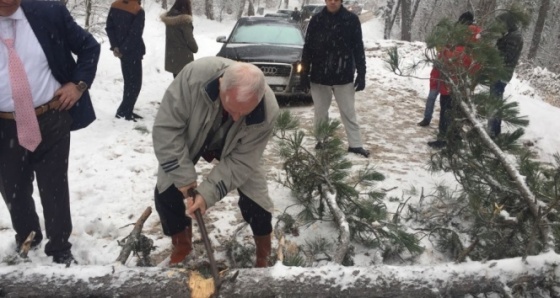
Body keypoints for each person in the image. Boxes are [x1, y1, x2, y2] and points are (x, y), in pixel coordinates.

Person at [152, 57, 280, 267]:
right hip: (192, 134)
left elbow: (241, 162)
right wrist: (184, 179)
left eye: (244, 111)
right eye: (232, 108)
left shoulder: (267, 110)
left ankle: (263, 257)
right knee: (167, 190)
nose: (237, 117)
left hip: (238, 146)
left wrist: (206, 194)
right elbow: (166, 129)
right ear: (221, 83)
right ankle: (182, 247)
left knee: (258, 203)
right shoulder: (194, 78)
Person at [0, 0, 100, 265]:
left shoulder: (49, 13)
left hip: (50, 116)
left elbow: (90, 47)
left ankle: (60, 249)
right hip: (4, 124)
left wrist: (78, 85)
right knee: (13, 188)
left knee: (54, 186)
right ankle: (28, 237)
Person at [301, 0, 369, 158]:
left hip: (343, 75)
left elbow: (358, 47)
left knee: (348, 112)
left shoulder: (351, 20)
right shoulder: (316, 20)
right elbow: (308, 47)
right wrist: (304, 73)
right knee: (320, 112)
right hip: (319, 75)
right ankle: (321, 140)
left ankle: (355, 144)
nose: (332, 1)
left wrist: (362, 72)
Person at [427, 12, 480, 148]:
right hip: (465, 82)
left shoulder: (461, 40)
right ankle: (455, 138)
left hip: (451, 81)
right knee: (457, 111)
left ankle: (443, 139)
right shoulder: (477, 39)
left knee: (446, 110)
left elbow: (453, 59)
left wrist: (443, 53)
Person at [105, 0, 145, 121]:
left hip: (121, 52)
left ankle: (127, 110)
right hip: (132, 52)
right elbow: (135, 33)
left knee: (129, 82)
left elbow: (109, 27)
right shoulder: (138, 10)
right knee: (135, 84)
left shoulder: (115, 5)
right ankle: (124, 112)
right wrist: (124, 49)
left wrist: (116, 46)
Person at [488, 12, 523, 137]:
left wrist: (492, 53)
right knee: (495, 101)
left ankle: (492, 132)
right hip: (499, 72)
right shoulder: (510, 35)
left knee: (495, 102)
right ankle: (494, 130)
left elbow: (507, 57)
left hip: (502, 73)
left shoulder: (514, 37)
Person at [161, 0, 198, 78]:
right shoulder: (184, 21)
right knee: (185, 85)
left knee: (177, 83)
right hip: (184, 60)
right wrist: (195, 48)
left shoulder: (170, 19)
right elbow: (189, 39)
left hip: (173, 58)